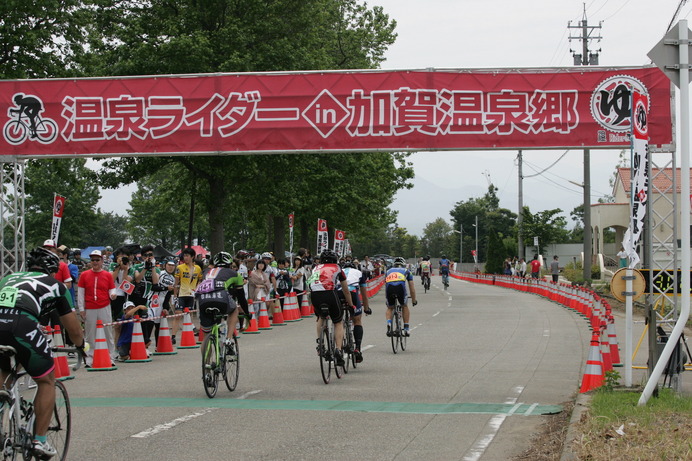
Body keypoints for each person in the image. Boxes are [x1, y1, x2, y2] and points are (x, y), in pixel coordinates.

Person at [0, 247, 86, 459]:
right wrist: (81, 346)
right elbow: (73, 329)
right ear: (53, 270)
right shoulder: (56, 285)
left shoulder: (8, 278)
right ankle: (40, 441)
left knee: (3, 375)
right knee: (46, 380)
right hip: (21, 325)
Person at [307, 249, 353, 366]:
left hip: (315, 294)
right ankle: (338, 349)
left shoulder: (315, 268)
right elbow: (346, 290)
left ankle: (320, 344)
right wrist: (351, 305)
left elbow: (309, 284)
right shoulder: (337, 268)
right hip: (329, 293)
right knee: (338, 322)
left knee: (320, 317)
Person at [77, 249, 116, 367]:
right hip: (90, 307)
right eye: (92, 260)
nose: (95, 262)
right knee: (90, 334)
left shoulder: (107, 275)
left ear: (101, 261)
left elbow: (111, 288)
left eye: (97, 260)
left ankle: (110, 357)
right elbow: (80, 293)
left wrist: (112, 295)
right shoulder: (84, 275)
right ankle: (90, 358)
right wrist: (82, 309)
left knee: (107, 332)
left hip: (104, 306)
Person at [195, 252, 240, 351]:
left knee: (207, 335)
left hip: (203, 301)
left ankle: (206, 364)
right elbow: (241, 296)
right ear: (230, 264)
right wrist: (247, 313)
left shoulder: (206, 271)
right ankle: (229, 338)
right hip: (221, 299)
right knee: (234, 310)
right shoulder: (233, 273)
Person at [341, 260, 372, 363]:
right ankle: (357, 348)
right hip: (352, 292)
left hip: (338, 292)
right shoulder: (358, 273)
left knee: (338, 321)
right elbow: (364, 294)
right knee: (357, 320)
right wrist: (366, 308)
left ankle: (338, 345)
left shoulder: (339, 271)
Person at [172, 248, 202, 344]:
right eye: (184, 256)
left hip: (191, 295)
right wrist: (175, 295)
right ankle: (173, 336)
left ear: (192, 257)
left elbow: (200, 280)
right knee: (178, 315)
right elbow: (176, 282)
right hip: (182, 294)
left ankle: (189, 334)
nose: (185, 258)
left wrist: (197, 289)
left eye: (187, 256)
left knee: (189, 315)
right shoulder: (180, 267)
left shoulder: (198, 268)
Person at [385, 256, 417, 337]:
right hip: (400, 288)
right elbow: (411, 287)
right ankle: (406, 328)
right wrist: (414, 300)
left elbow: (385, 285)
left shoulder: (388, 271)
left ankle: (389, 323)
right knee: (404, 306)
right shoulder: (407, 271)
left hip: (389, 289)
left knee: (390, 307)